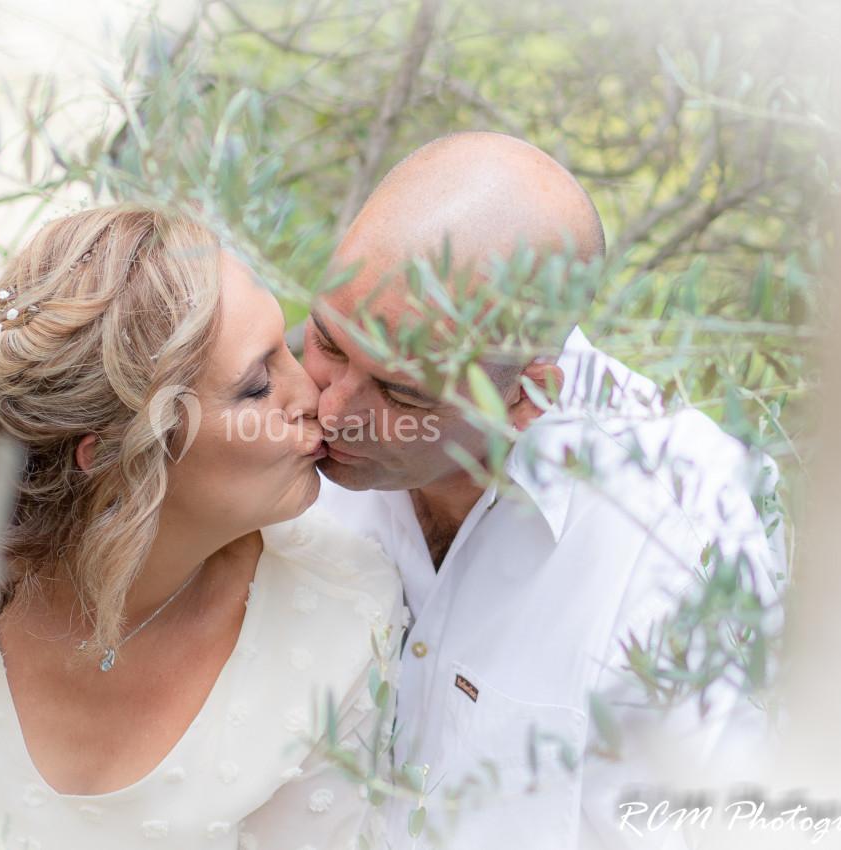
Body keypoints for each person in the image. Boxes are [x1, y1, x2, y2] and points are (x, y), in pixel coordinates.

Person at [0, 205, 405, 850]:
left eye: (290, 348)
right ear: (113, 454)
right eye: (257, 387)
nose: (315, 399)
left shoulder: (340, 616)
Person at [306, 132, 782, 848]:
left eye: (401, 393)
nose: (333, 410)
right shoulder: (261, 412)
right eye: (329, 343)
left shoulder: (682, 530)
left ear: (528, 395)